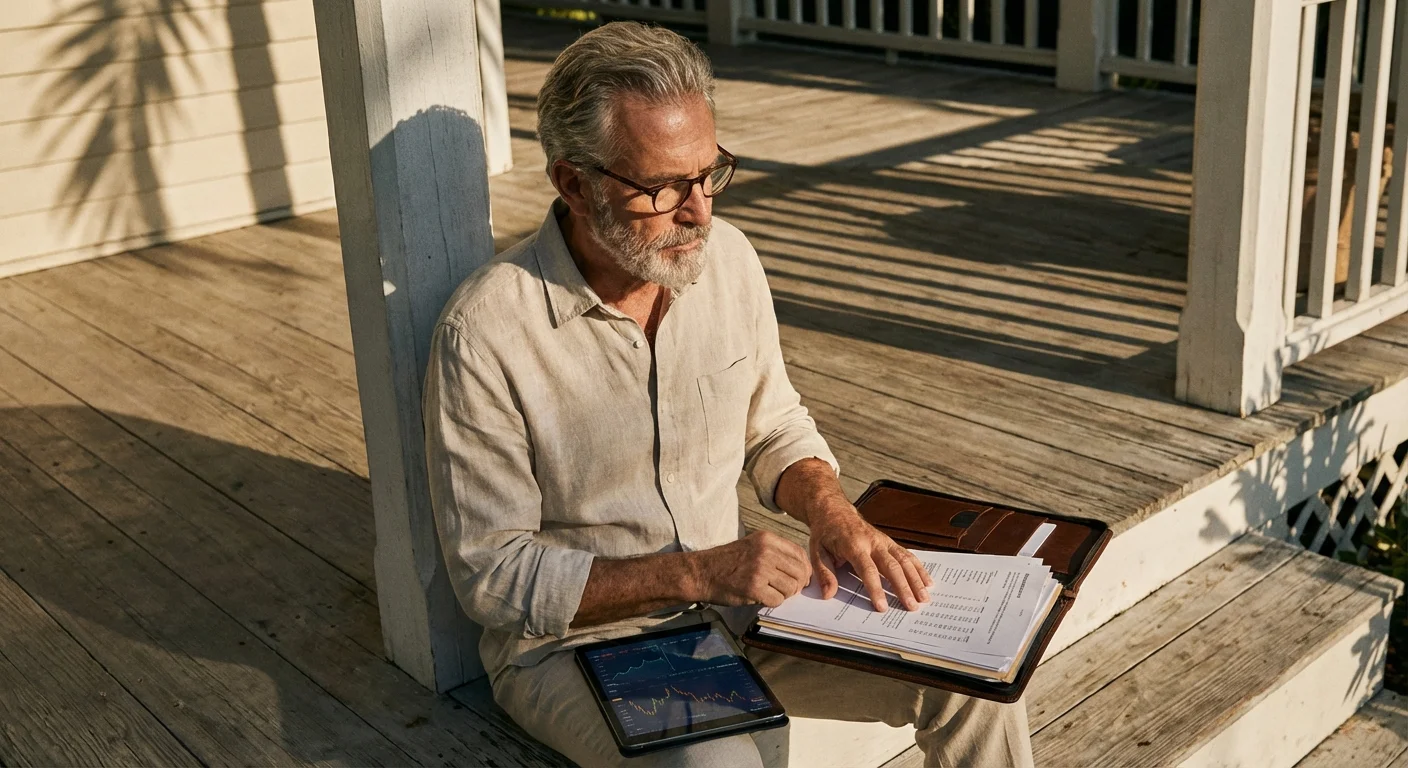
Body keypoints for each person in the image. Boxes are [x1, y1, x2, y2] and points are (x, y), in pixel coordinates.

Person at [422, 21, 1034, 768]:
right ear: (573, 185)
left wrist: (833, 513)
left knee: (975, 680)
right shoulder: (485, 332)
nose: (700, 211)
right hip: (582, 647)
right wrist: (697, 573)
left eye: (709, 174)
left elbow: (773, 423)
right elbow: (493, 576)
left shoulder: (730, 260)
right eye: (663, 187)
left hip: (747, 609)